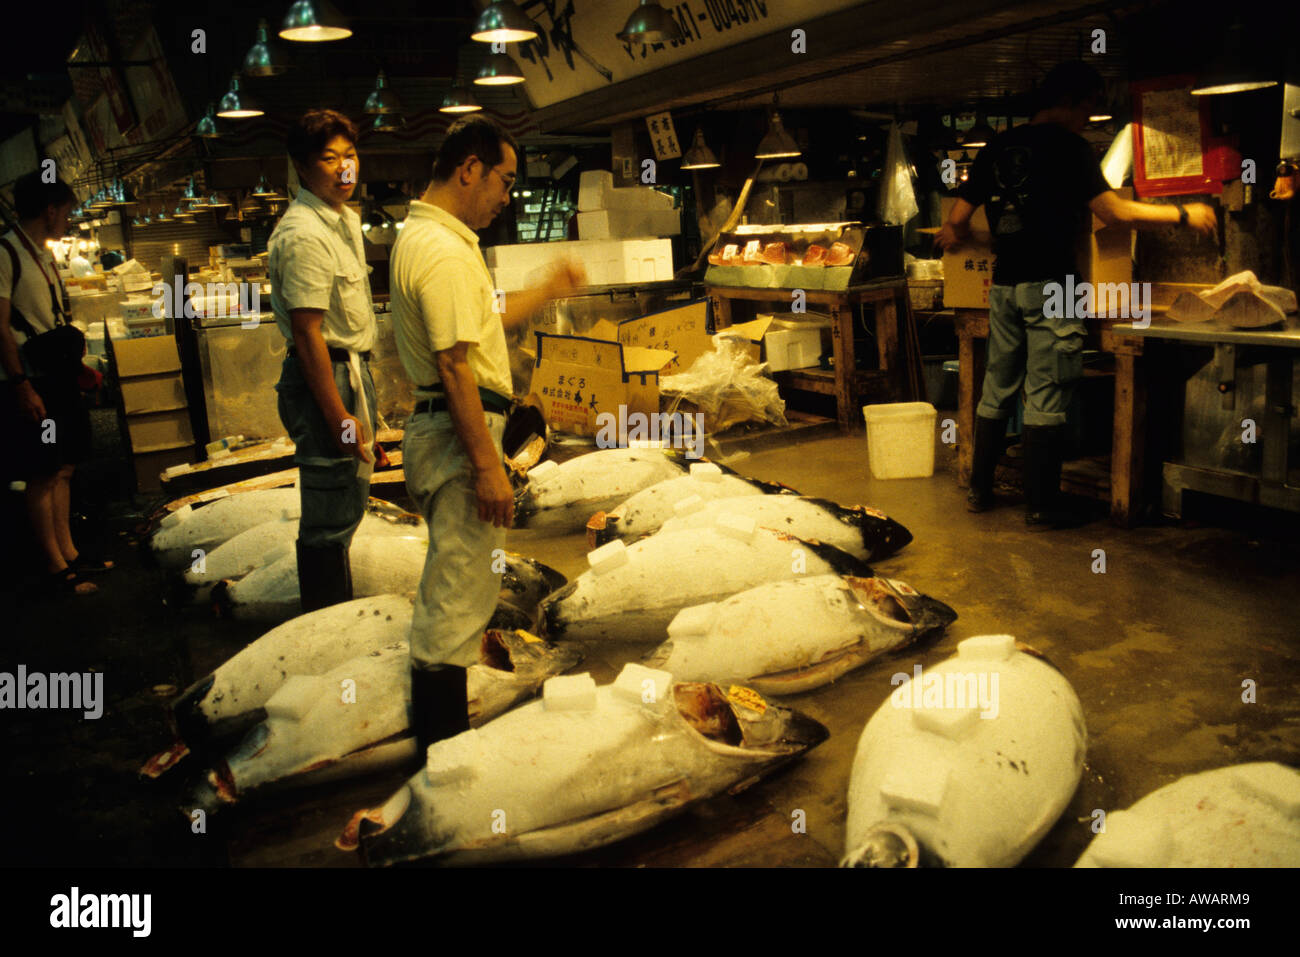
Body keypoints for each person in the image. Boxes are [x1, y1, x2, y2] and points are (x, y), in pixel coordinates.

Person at [936, 60, 1216, 528]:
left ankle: (980, 491)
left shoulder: (998, 147)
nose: (1089, 117)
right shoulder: (1071, 148)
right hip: (1056, 286)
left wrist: (953, 234)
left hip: (1004, 286)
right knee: (1049, 389)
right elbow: (1115, 214)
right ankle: (1041, 505)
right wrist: (1184, 214)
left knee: (997, 387)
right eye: (1088, 107)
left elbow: (959, 219)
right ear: (1070, 102)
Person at [390, 115, 584, 750]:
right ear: (468, 168)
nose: (507, 196)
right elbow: (454, 366)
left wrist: (546, 289)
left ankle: (440, 749)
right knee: (454, 604)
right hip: (455, 436)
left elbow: (484, 321)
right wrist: (487, 467)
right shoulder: (442, 250)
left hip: (444, 432)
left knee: (455, 591)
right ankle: (443, 762)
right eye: (503, 179)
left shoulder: (434, 240)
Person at [268, 109, 385, 611]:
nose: (345, 169)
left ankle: (335, 616)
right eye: (330, 159)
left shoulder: (342, 221)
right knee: (328, 518)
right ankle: (326, 626)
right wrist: (340, 417)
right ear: (300, 166)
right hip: (328, 378)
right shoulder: (304, 234)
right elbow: (308, 333)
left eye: (351, 156)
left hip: (350, 372)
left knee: (347, 501)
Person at [0, 171, 108, 593]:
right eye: (65, 211)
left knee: (64, 465)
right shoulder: (6, 252)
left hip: (58, 377)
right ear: (49, 210)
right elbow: (0, 329)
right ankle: (53, 566)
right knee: (42, 471)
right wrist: (20, 385)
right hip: (34, 380)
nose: (68, 220)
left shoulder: (41, 255)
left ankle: (71, 554)